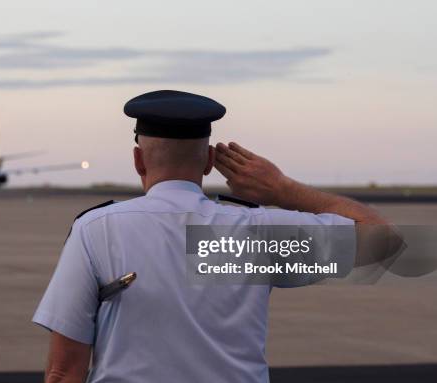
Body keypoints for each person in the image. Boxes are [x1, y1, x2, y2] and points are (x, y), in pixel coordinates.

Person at [32, 90, 397, 383]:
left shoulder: (96, 230)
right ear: (208, 161)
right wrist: (284, 191)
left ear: (138, 160)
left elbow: (65, 372)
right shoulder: (256, 232)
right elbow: (383, 242)